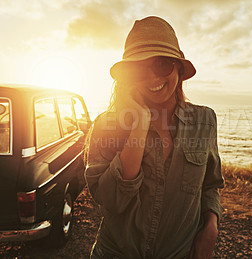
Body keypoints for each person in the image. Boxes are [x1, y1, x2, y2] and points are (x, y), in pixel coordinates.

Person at [85, 16, 224, 259]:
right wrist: (139, 124)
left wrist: (211, 227)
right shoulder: (106, 126)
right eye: (139, 68)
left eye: (162, 64)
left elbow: (210, 185)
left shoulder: (204, 122)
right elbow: (111, 200)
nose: (152, 78)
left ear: (178, 68)